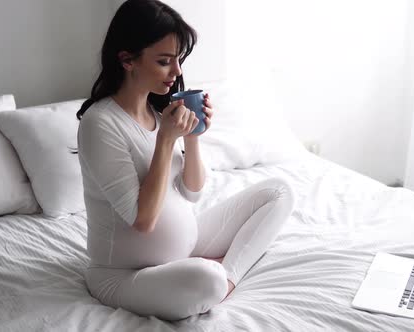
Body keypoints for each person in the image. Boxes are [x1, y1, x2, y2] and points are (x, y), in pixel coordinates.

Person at [76, 0, 295, 320]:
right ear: (127, 60)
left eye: (178, 60)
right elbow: (143, 220)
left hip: (186, 245)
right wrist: (166, 139)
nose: (177, 72)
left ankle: (229, 279)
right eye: (164, 61)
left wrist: (192, 136)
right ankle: (216, 279)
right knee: (206, 279)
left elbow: (192, 192)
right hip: (123, 275)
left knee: (280, 191)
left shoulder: (156, 111)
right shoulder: (100, 124)